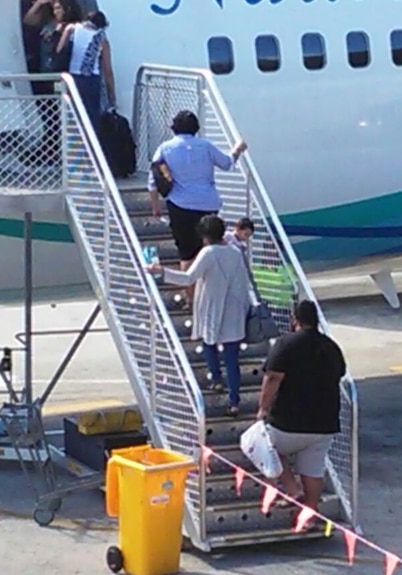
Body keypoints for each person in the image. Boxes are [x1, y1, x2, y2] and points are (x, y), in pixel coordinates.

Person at [145, 216, 251, 416]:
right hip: (234, 309)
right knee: (232, 358)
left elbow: (188, 278)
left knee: (208, 342)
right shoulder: (236, 253)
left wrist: (161, 271)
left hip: (212, 306)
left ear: (205, 236)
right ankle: (234, 401)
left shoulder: (208, 253)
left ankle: (216, 380)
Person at [256, 300, 346, 524]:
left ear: (294, 320)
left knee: (268, 446)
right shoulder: (330, 346)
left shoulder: (286, 343)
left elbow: (272, 377)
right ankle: (310, 513)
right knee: (313, 469)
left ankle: (292, 489)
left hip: (290, 420)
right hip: (325, 422)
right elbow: (340, 374)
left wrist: (262, 409)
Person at [147, 110, 248, 307]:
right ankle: (214, 296)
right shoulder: (206, 146)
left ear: (173, 128)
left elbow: (152, 181)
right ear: (196, 128)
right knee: (210, 250)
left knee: (187, 254)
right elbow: (227, 163)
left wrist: (155, 207)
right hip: (209, 205)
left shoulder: (165, 148)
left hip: (181, 206)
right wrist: (238, 149)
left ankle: (193, 301)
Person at [56, 10, 117, 133]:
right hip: (91, 81)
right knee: (90, 120)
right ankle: (90, 149)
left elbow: (59, 51)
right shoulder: (102, 39)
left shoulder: (71, 29)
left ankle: (71, 146)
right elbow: (107, 71)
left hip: (72, 79)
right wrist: (112, 97)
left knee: (71, 117)